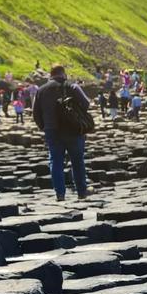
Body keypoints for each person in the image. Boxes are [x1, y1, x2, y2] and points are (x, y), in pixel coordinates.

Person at [31, 63, 93, 202]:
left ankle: (60, 194)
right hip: (73, 129)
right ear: (63, 73)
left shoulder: (41, 90)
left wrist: (44, 127)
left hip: (51, 130)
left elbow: (36, 113)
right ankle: (82, 192)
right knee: (77, 161)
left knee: (56, 161)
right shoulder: (72, 86)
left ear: (51, 75)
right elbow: (86, 103)